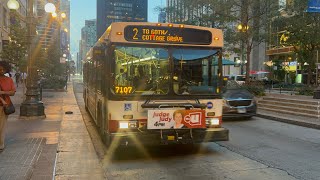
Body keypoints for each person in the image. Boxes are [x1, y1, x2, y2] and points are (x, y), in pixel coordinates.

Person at [0, 61, 16, 151]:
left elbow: (13, 92)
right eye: (0, 69)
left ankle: (1, 145)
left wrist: (3, 92)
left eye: (3, 69)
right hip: (3, 103)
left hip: (4, 106)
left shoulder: (9, 80)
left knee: (2, 126)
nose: (1, 71)